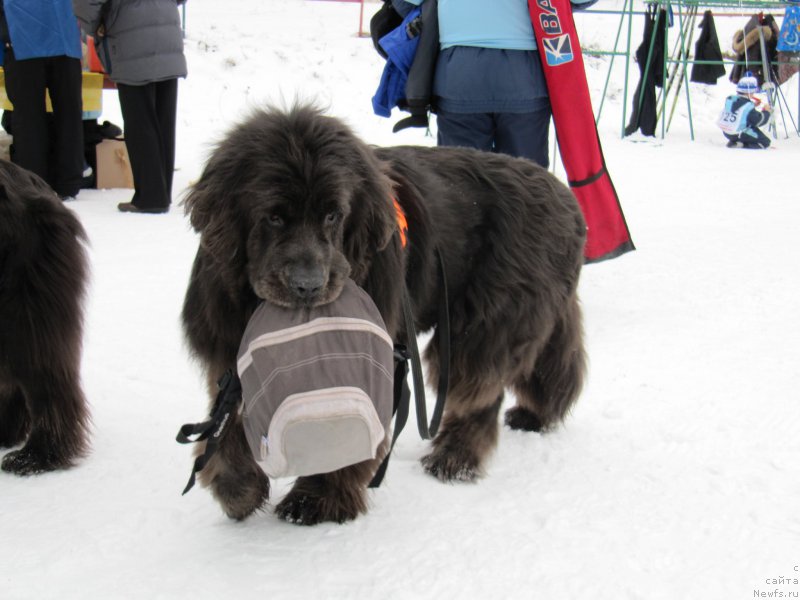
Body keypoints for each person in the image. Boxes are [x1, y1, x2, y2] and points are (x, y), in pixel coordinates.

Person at [389, 0, 596, 168]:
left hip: (459, 77)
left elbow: (405, 3)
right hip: (524, 79)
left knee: (460, 184)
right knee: (527, 188)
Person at [72, 0, 187, 214]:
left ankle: (151, 197)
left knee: (139, 120)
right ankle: (161, 192)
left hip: (131, 35)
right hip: (167, 32)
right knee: (163, 120)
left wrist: (92, 24)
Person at [0, 0, 85, 200]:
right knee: (69, 113)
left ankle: (33, 181)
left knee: (29, 118)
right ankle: (68, 182)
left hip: (21, 37)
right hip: (65, 37)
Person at [717, 72, 773, 149]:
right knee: (765, 142)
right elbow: (758, 121)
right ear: (750, 92)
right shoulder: (748, 106)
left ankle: (734, 141)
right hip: (738, 133)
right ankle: (741, 145)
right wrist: (766, 112)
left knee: (746, 128)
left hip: (726, 132)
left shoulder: (731, 100)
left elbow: (739, 109)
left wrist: (753, 105)